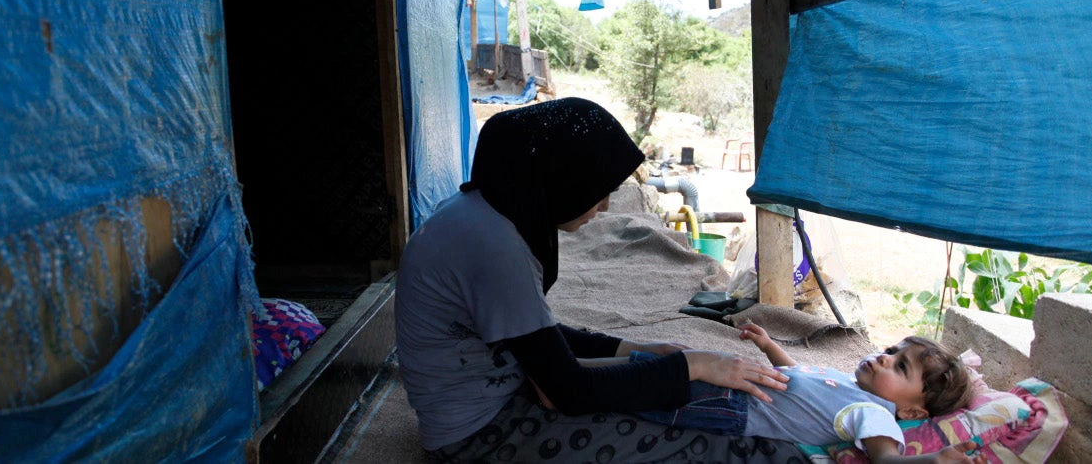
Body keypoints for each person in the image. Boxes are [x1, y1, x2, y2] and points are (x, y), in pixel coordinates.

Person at [395, 97, 798, 462]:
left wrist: (635, 347)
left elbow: (537, 335)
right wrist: (691, 365)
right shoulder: (494, 247)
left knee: (658, 389)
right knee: (712, 447)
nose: (603, 208)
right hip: (480, 435)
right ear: (560, 177)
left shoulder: (483, 215)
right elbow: (567, 392)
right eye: (597, 191)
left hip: (503, 391)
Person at [634, 324, 985, 464]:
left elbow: (886, 460)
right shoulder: (851, 385)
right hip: (735, 385)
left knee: (643, 388)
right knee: (658, 363)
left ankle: (588, 380)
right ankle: (588, 366)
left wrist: (932, 461)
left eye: (901, 367)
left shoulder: (875, 413)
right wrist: (770, 346)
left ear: (911, 413)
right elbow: (797, 377)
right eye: (893, 350)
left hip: (733, 405)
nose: (884, 357)